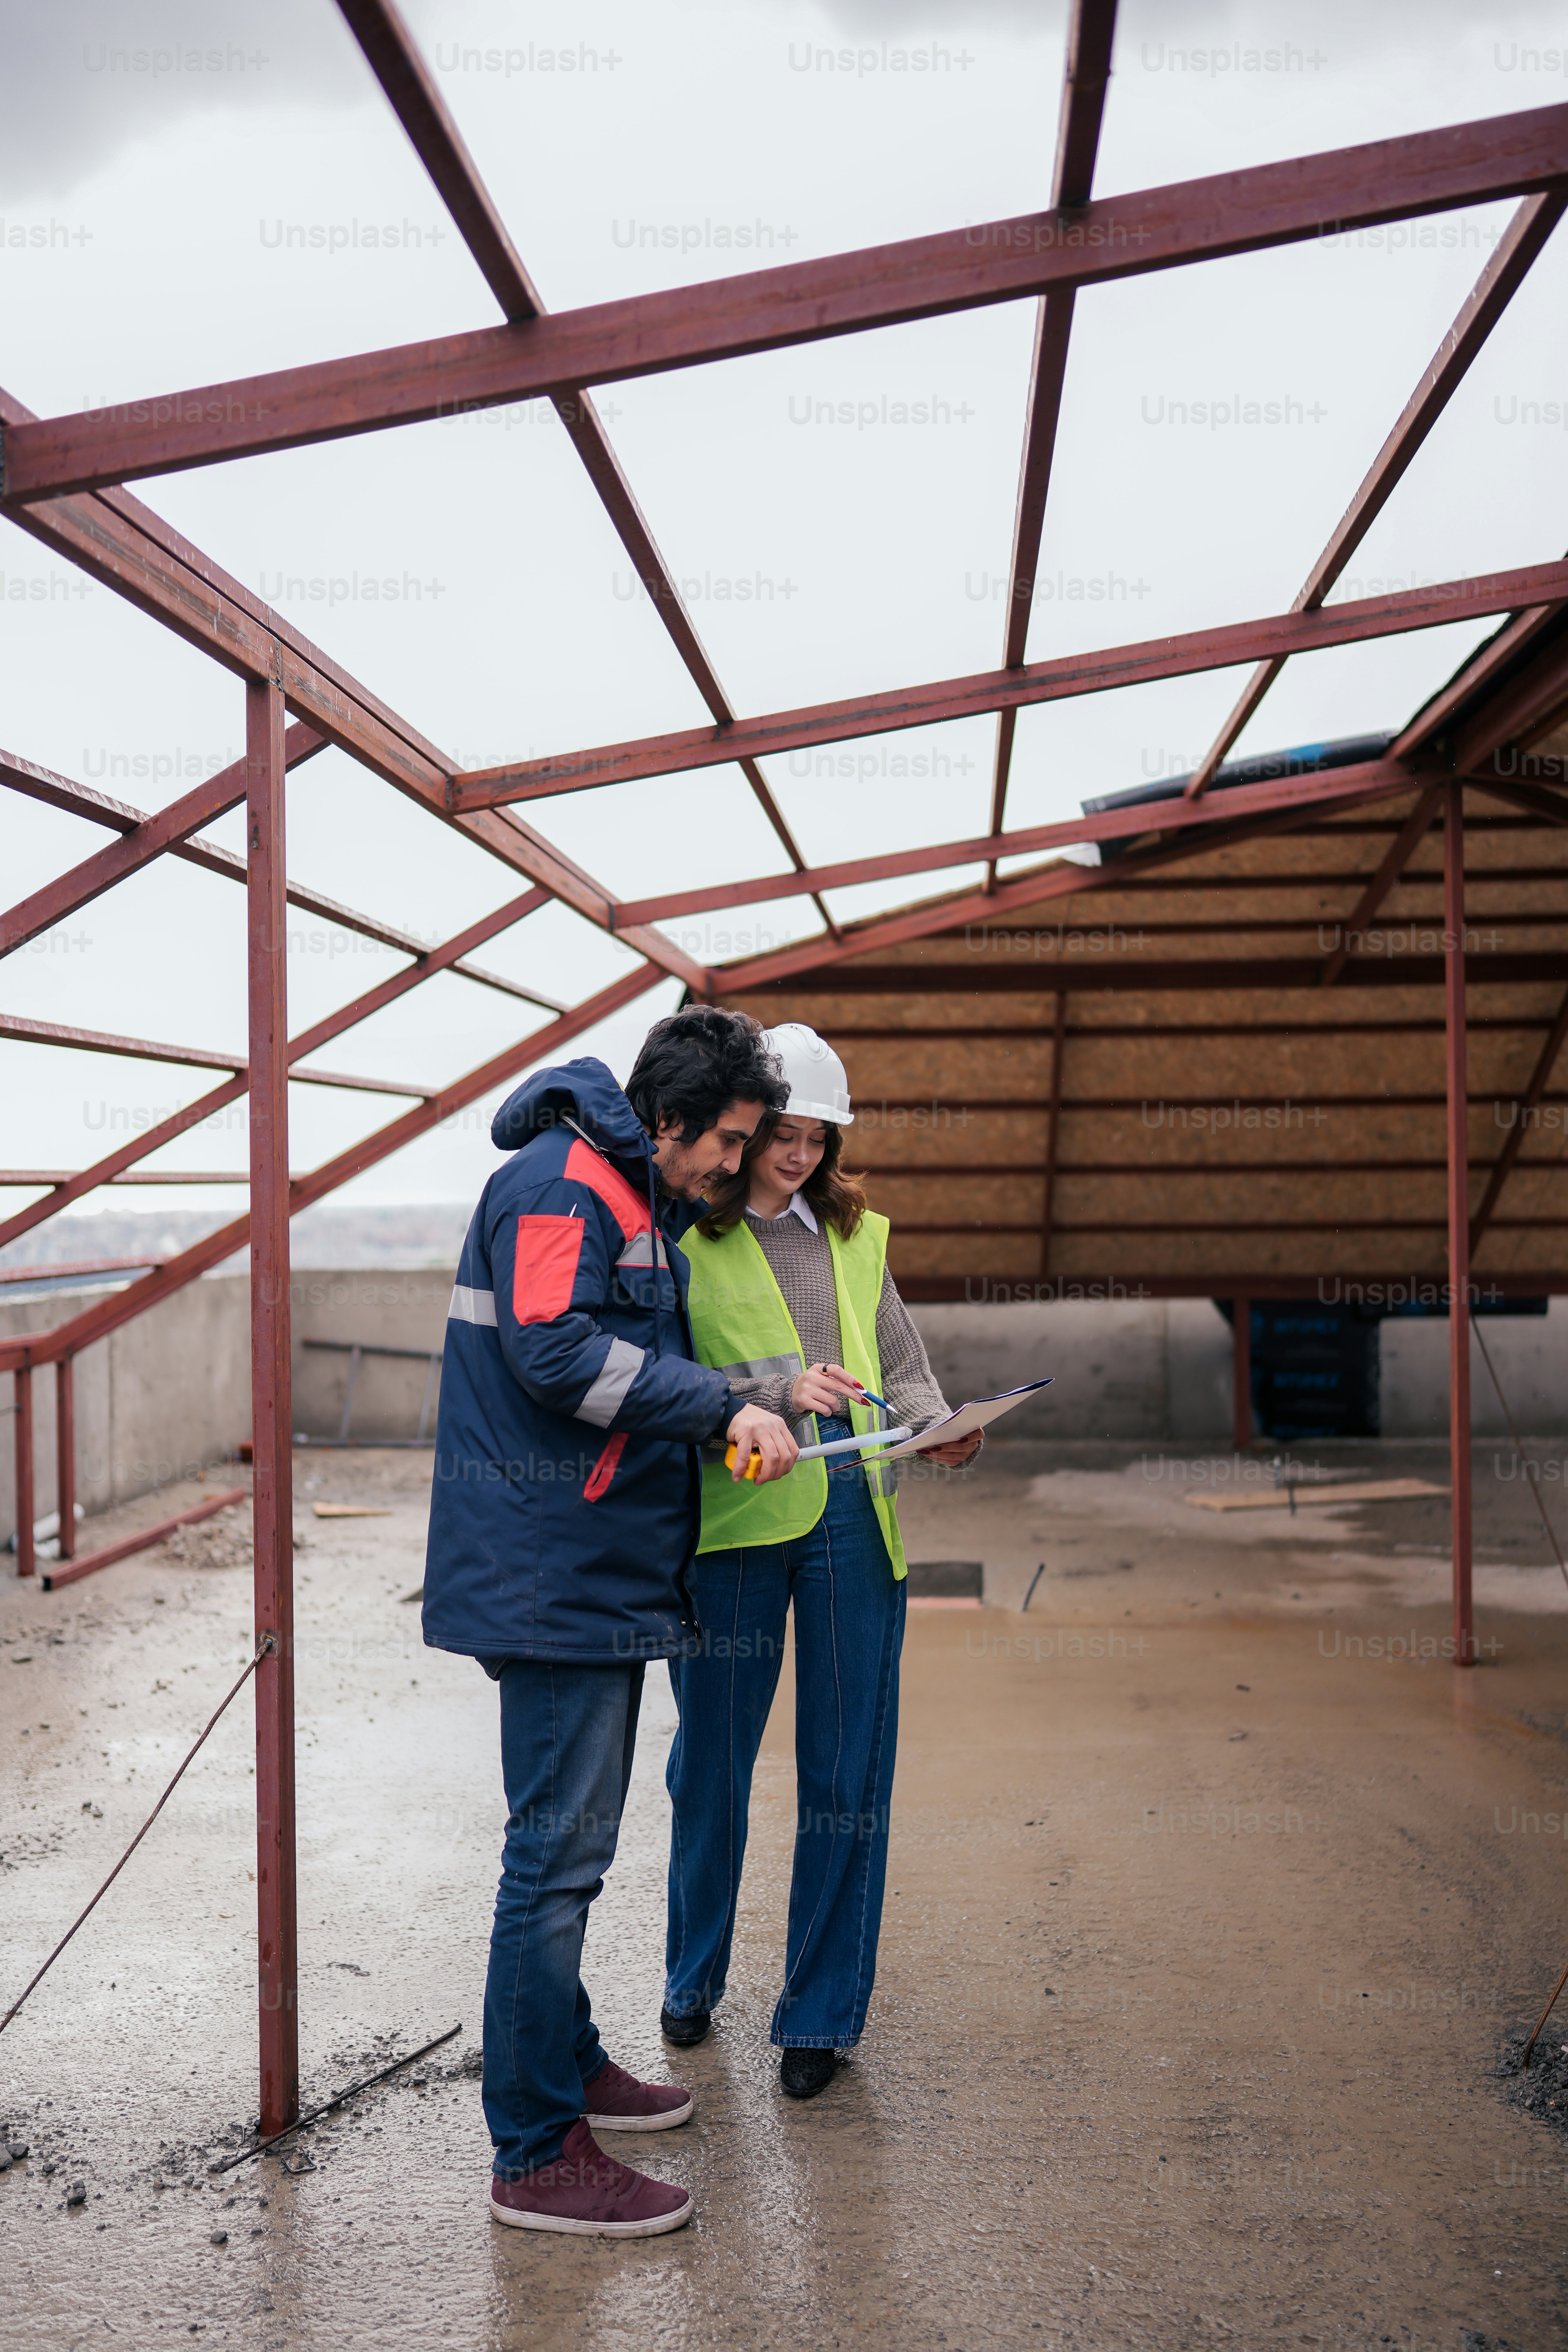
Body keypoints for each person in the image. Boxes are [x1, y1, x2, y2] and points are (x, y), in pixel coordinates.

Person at [423, 1005, 800, 2236]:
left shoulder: (621, 1194)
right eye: (729, 1143)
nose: (734, 1169)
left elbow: (639, 1367)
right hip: (550, 1574)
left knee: (568, 1853)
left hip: (590, 1570)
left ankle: (568, 2059)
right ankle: (534, 2151)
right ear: (672, 1121)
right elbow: (554, 1353)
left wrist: (753, 1394)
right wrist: (722, 1411)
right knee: (554, 1862)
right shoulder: (562, 1185)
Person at [663, 1022, 982, 2098]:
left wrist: (943, 1426)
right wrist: (762, 1399)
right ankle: (691, 1977)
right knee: (711, 1765)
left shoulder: (853, 1232)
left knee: (848, 1777)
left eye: (818, 1136)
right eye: (783, 1136)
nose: (799, 1156)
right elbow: (671, 1383)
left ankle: (820, 2020)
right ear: (744, 1130)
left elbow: (902, 1361)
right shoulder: (682, 1240)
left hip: (854, 1517)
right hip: (737, 1522)